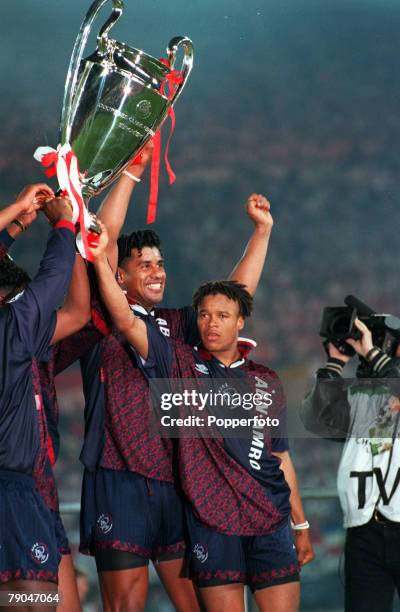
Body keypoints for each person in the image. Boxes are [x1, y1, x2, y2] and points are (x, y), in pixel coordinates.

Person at [90, 224, 314, 612]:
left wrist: (301, 524)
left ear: (240, 321)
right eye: (205, 316)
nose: (212, 322)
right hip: (208, 521)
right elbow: (126, 321)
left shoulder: (264, 379)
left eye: (222, 316)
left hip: (269, 520)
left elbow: (279, 457)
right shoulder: (180, 360)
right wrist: (97, 257)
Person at [0, 186, 94, 612]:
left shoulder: (18, 330)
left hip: (31, 488)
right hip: (11, 486)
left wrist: (19, 219)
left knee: (46, 600)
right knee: (33, 602)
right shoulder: (15, 327)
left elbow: (76, 313)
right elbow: (52, 279)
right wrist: (63, 224)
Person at [301, 317, 400, 612]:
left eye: (381, 341)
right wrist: (334, 364)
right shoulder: (360, 396)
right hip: (364, 530)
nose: (369, 345)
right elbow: (317, 421)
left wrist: (372, 353)